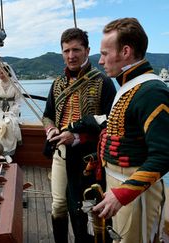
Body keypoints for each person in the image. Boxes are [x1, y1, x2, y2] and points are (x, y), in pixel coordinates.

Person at [93, 18, 169, 243]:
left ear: (126, 51)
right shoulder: (129, 85)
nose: (100, 60)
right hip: (117, 183)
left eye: (105, 53)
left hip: (137, 193)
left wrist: (123, 193)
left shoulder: (151, 91)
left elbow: (164, 154)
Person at [42, 28, 116, 243]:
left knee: (85, 208)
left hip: (89, 158)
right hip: (60, 152)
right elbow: (47, 116)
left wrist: (76, 138)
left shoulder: (103, 82)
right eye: (66, 51)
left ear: (87, 51)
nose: (71, 56)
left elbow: (110, 124)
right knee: (58, 205)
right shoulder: (57, 84)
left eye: (76, 50)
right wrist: (51, 130)